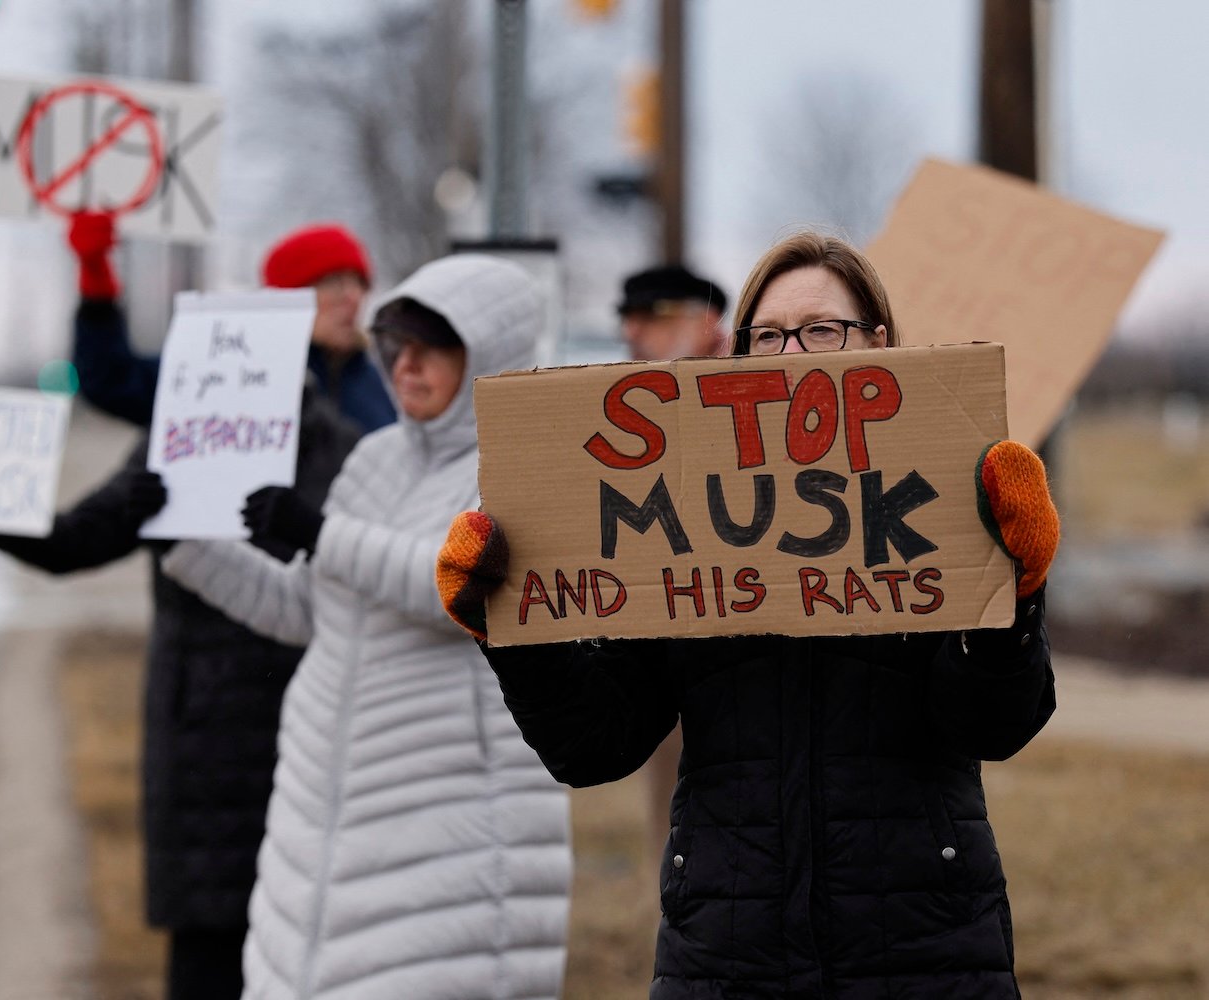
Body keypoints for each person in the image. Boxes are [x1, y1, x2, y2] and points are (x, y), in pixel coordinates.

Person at [436, 231, 1061, 998]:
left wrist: (1016, 592)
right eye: (767, 335)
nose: (792, 352)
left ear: (879, 343)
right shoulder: (686, 516)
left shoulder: (938, 495)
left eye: (821, 330)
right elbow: (596, 744)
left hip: (924, 944)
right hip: (727, 951)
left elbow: (991, 725)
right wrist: (513, 630)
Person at [0, 218, 373, 1000]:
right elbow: (73, 538)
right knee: (210, 952)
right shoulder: (186, 423)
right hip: (205, 733)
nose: (346, 298)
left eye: (355, 282)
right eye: (323, 284)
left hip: (327, 728)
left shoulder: (366, 427)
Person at [161, 254, 573, 1000]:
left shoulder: (527, 462)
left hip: (449, 834)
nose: (405, 366)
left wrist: (319, 531)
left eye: (431, 348)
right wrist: (183, 540)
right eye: (393, 346)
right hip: (319, 828)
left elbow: (464, 586)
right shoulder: (373, 459)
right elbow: (303, 608)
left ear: (488, 352)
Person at [616, 261, 734, 873]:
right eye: (629, 321)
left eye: (651, 320)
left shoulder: (753, 393)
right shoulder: (635, 409)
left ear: (706, 318)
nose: (633, 333)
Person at [69, 215, 397, 433]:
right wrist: (96, 278)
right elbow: (112, 380)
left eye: (359, 284)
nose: (352, 297)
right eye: (333, 283)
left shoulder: (383, 385)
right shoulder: (229, 374)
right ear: (285, 296)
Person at [617, 263, 730, 361]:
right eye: (628, 320)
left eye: (649, 317)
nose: (630, 334)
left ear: (707, 321)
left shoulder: (745, 375)